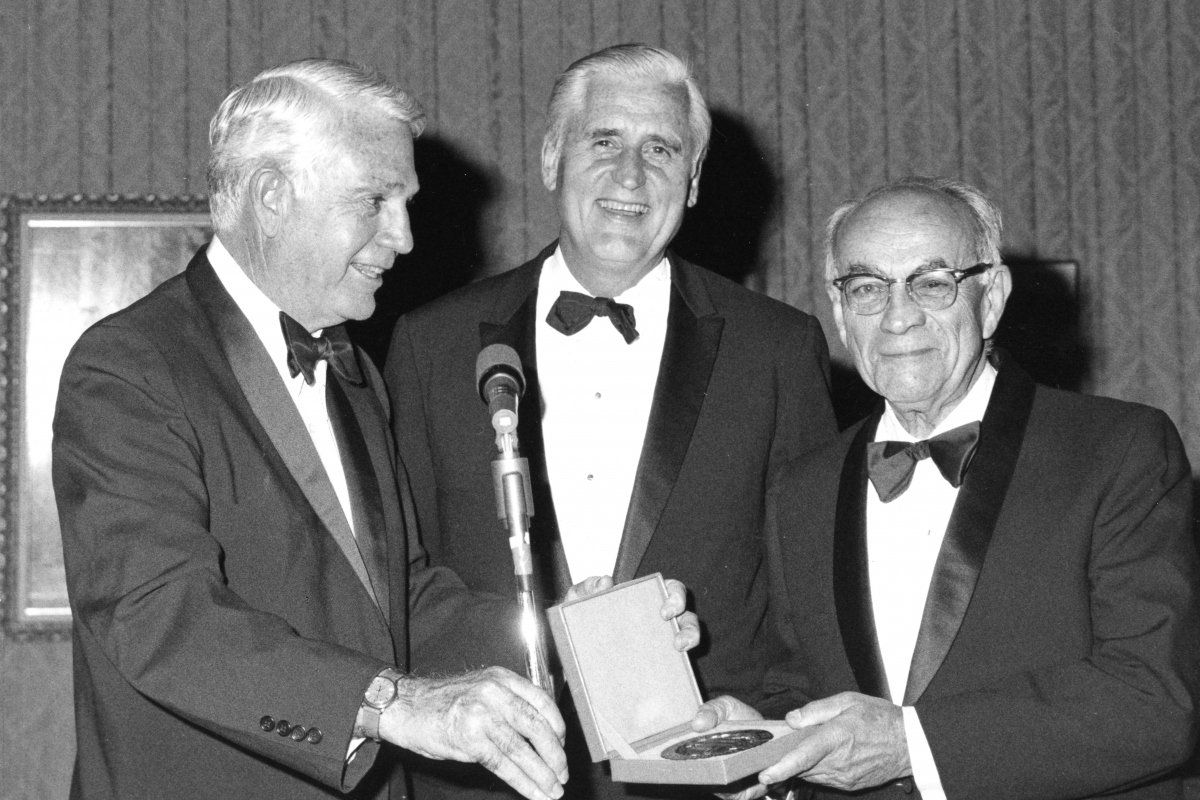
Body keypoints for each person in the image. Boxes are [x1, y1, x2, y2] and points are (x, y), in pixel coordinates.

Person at [53, 58, 573, 800]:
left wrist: (566, 634)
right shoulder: (127, 366)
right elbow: (160, 617)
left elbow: (405, 604)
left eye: (406, 202)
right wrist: (395, 703)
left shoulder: (356, 375)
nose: (405, 237)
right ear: (272, 196)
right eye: (376, 200)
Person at [384, 43, 837, 800]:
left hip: (707, 780)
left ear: (693, 183)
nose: (631, 176)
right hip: (484, 777)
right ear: (552, 157)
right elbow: (401, 581)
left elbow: (808, 598)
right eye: (604, 142)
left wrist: (770, 744)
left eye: (661, 149)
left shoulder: (778, 350)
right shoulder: (431, 344)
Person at [693, 176, 1200, 799]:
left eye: (933, 283)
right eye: (868, 287)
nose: (899, 316)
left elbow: (1155, 701)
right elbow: (804, 685)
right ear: (840, 312)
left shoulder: (1115, 451)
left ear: (991, 299)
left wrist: (914, 745)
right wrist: (764, 741)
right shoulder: (804, 487)